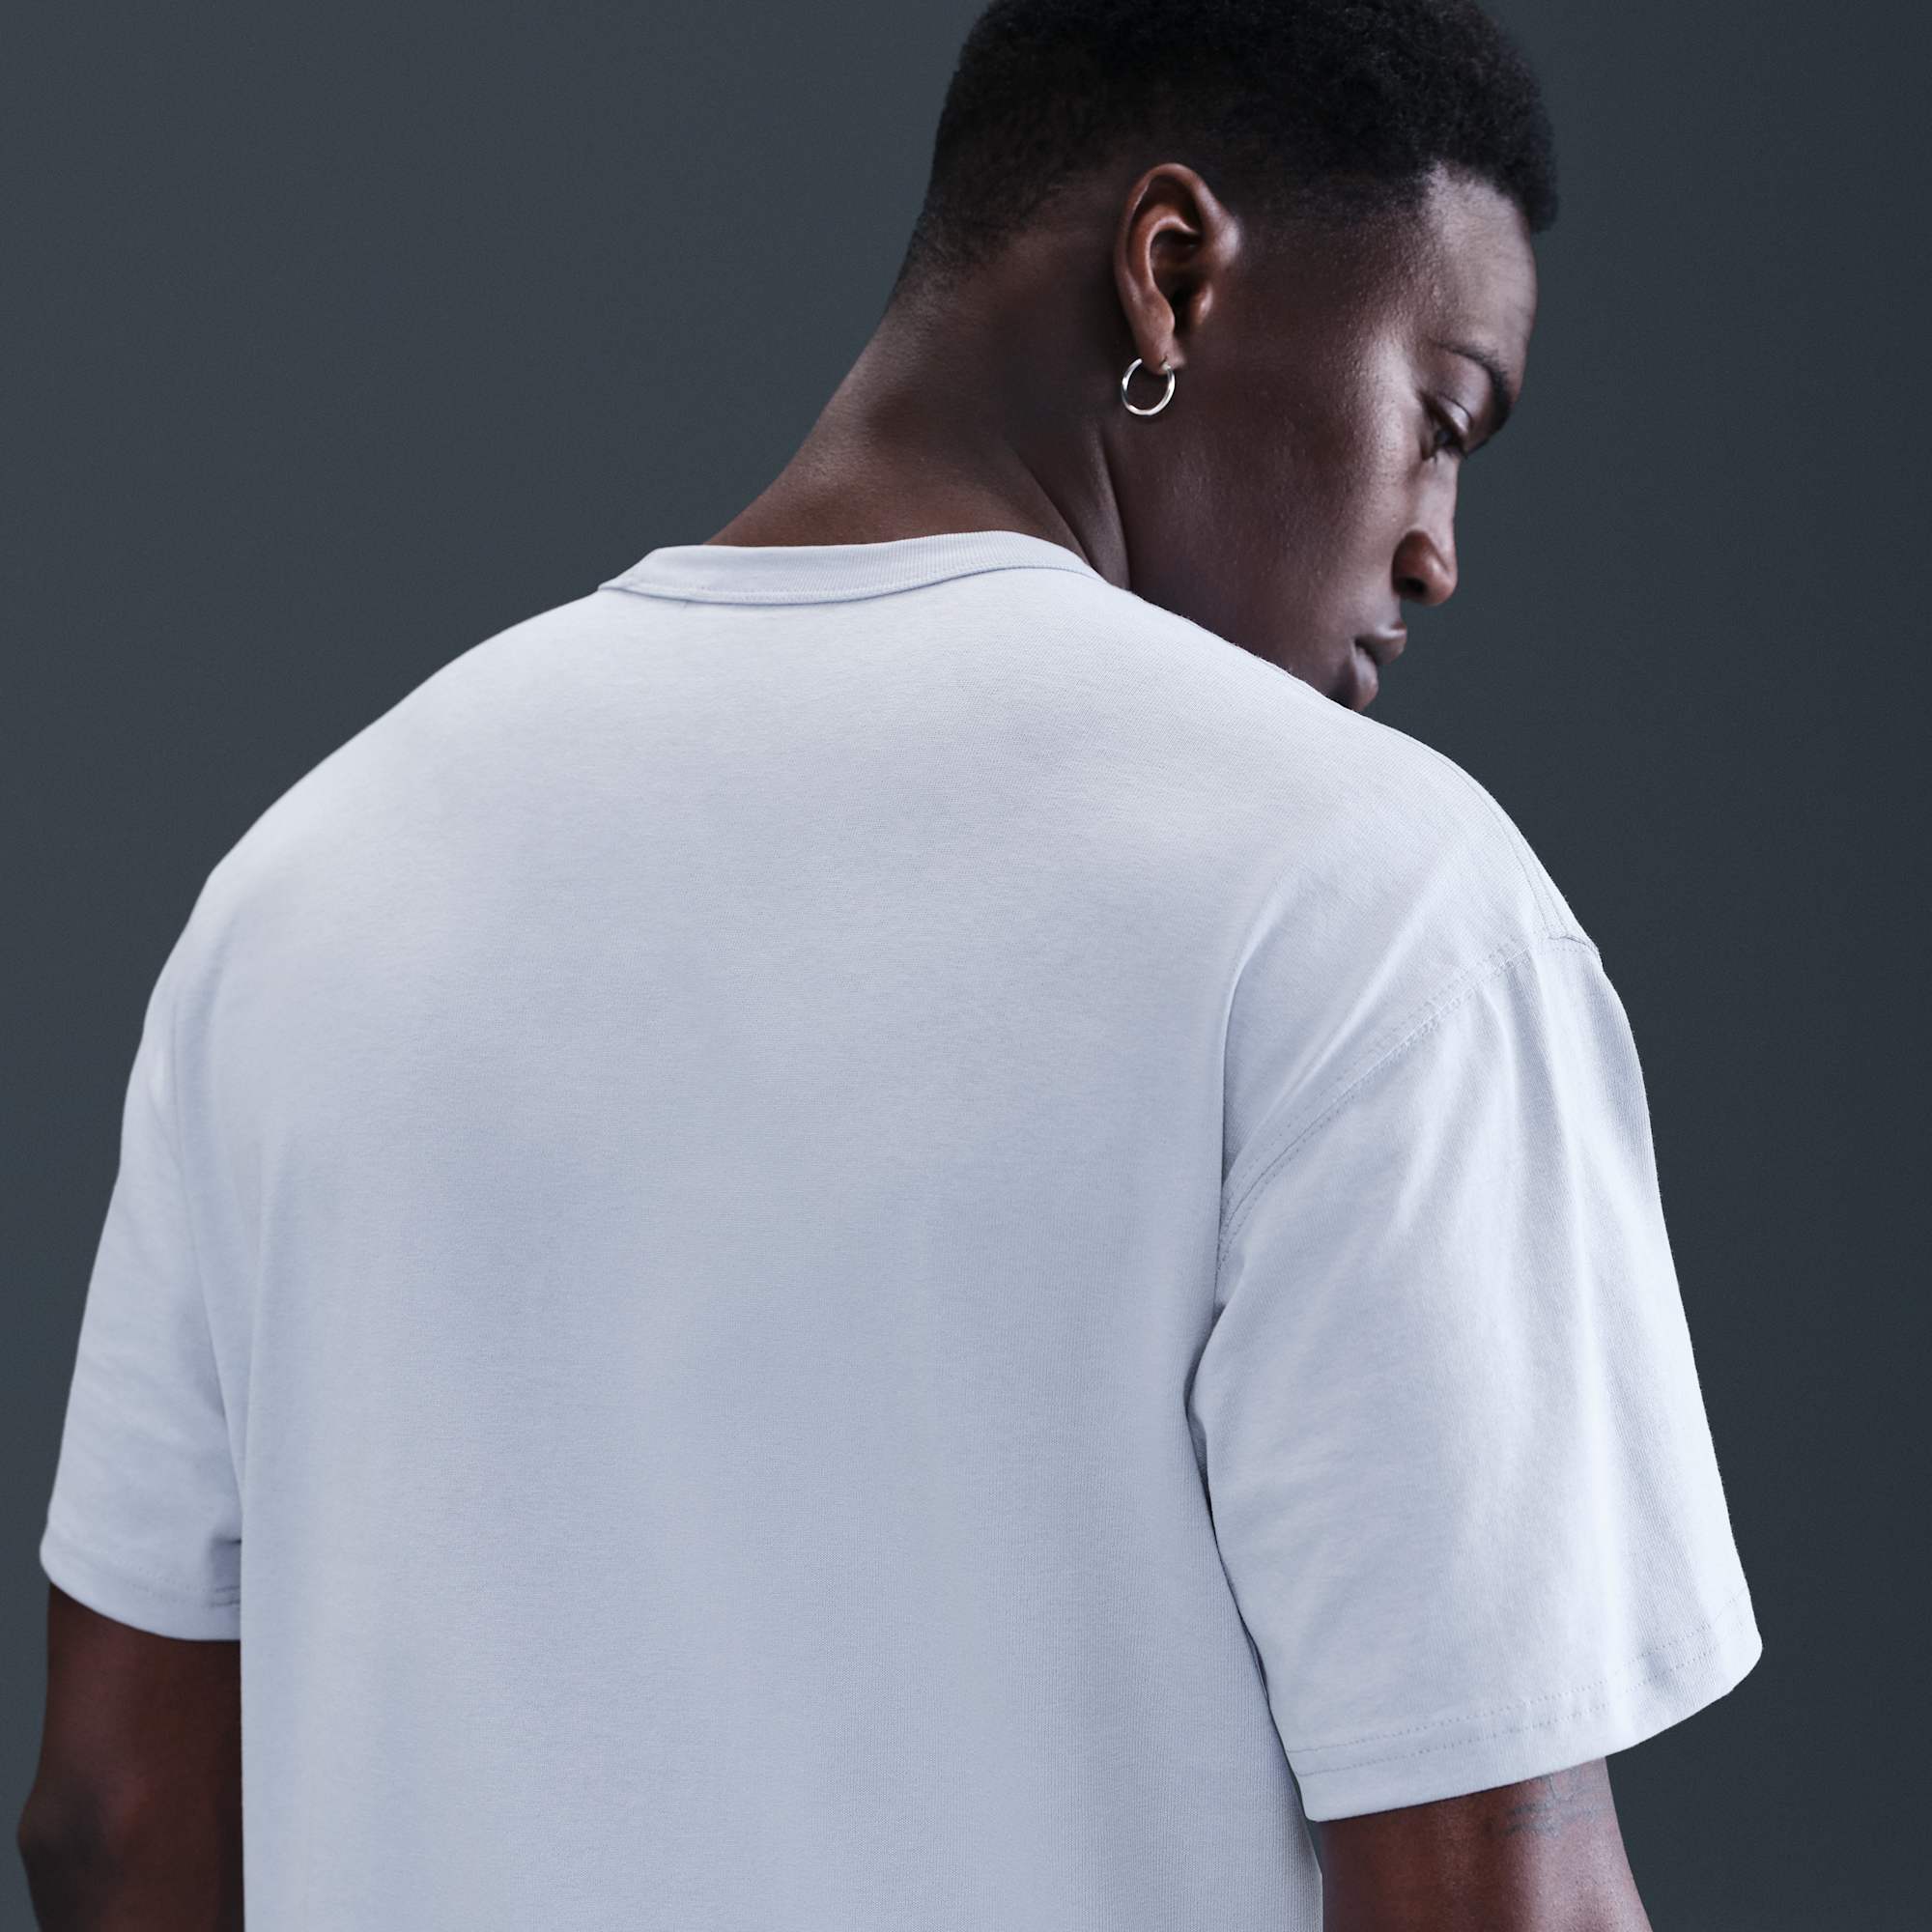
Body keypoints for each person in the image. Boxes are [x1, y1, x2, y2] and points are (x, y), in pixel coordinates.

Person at [20, 2, 1762, 1927]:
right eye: (1439, 419)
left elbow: (110, 1817)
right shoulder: (1367, 910)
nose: (1435, 550)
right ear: (1172, 274)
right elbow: (1501, 1905)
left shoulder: (297, 895)